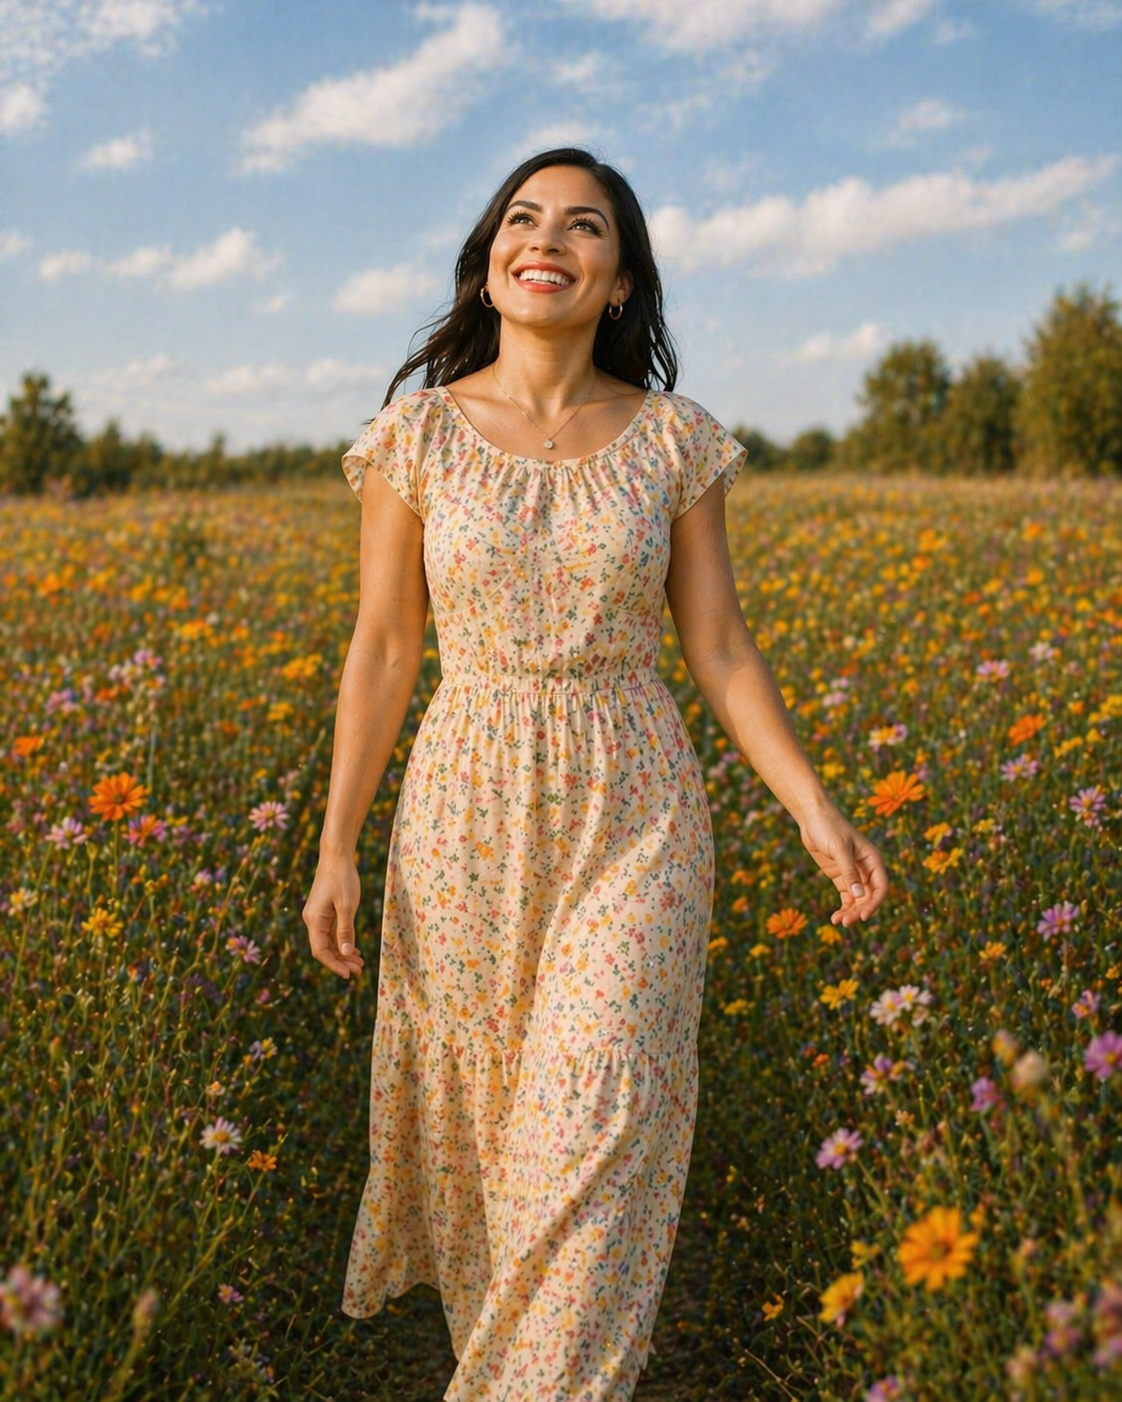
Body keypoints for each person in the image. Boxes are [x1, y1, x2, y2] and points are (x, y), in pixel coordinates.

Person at [303, 147, 888, 1401]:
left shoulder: (673, 440)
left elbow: (719, 645)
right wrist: (337, 843)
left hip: (637, 812)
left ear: (620, 280)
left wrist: (815, 808)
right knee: (490, 1155)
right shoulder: (417, 437)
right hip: (463, 815)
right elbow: (385, 646)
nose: (547, 240)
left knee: (598, 1117)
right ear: (490, 265)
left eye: (584, 226)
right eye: (523, 219)